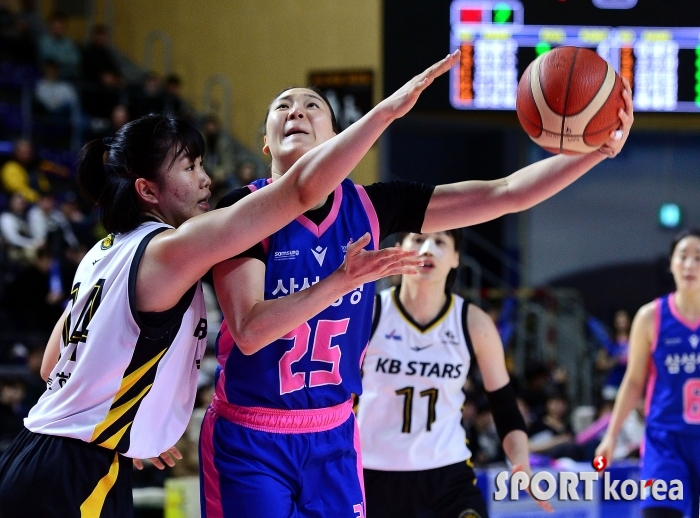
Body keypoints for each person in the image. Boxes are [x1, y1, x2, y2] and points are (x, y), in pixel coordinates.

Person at [203, 51, 633, 518]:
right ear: (265, 144)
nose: (296, 111)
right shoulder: (238, 212)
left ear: (336, 137)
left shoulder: (372, 207)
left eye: (312, 106)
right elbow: (248, 331)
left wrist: (597, 152)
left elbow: (505, 193)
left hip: (333, 435)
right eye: (282, 107)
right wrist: (339, 282)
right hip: (252, 433)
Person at [0, 112, 416, 518]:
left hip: (40, 455)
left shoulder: (104, 250)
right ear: (148, 190)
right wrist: (388, 112)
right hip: (76, 472)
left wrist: (131, 420)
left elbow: (54, 366)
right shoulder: (169, 249)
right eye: (190, 167)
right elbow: (299, 195)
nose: (206, 179)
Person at [357, 231, 549, 517]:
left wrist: (521, 461)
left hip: (448, 477)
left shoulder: (474, 323)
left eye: (441, 242)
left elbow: (505, 406)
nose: (428, 249)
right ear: (398, 250)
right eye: (418, 240)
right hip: (374, 473)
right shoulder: (370, 312)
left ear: (456, 258)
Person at [596, 229, 700, 518]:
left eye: (699, 258)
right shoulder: (650, 317)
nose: (690, 265)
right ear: (672, 263)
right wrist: (611, 435)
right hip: (665, 440)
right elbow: (633, 381)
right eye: (683, 257)